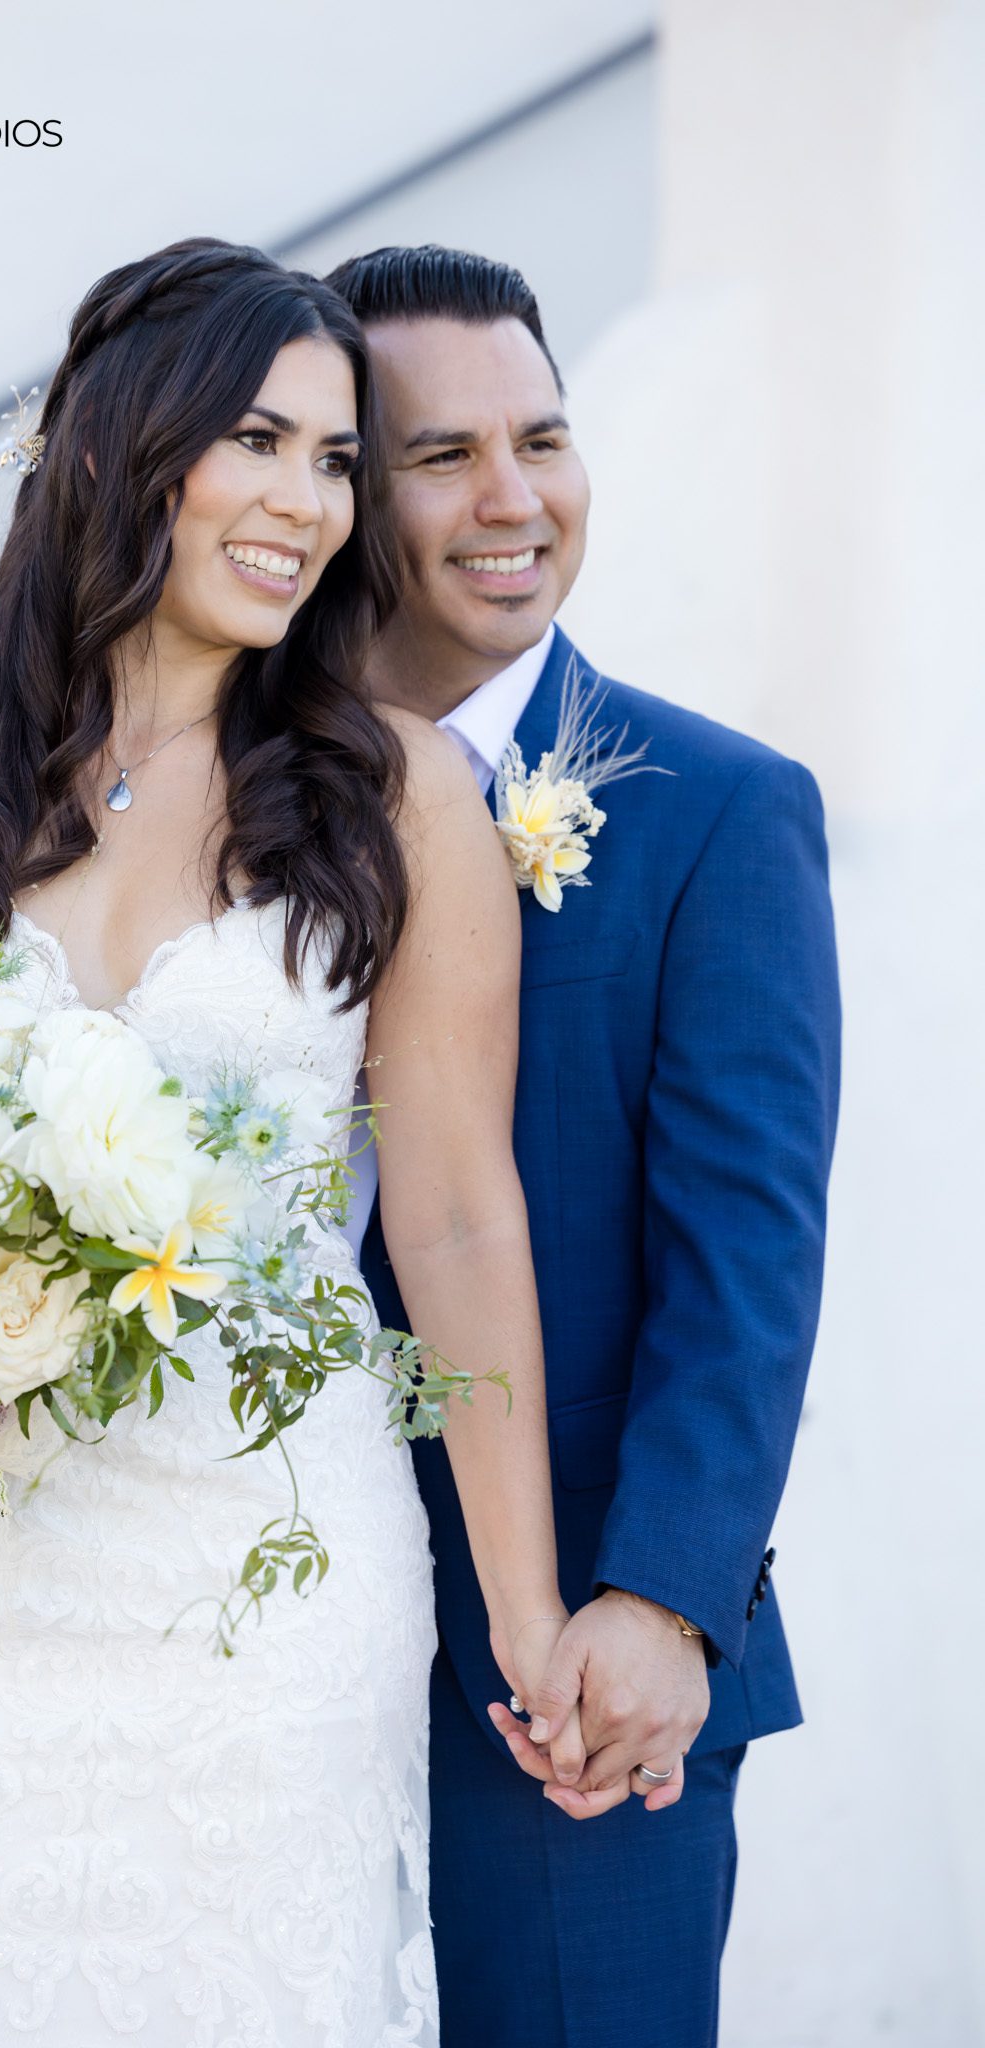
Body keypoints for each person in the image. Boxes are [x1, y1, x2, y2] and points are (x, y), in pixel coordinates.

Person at [0, 237, 589, 2047]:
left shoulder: (403, 793)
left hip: (260, 1569)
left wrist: (525, 1604)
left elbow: (452, 1216)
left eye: (337, 462)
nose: (306, 504)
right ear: (120, 447)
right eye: (260, 443)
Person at [324, 244, 841, 2048]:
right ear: (333, 489)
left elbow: (746, 1266)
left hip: (560, 1685)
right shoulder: (208, 798)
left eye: (541, 439)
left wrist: (663, 1601)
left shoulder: (718, 813)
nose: (511, 500)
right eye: (438, 453)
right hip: (247, 1634)